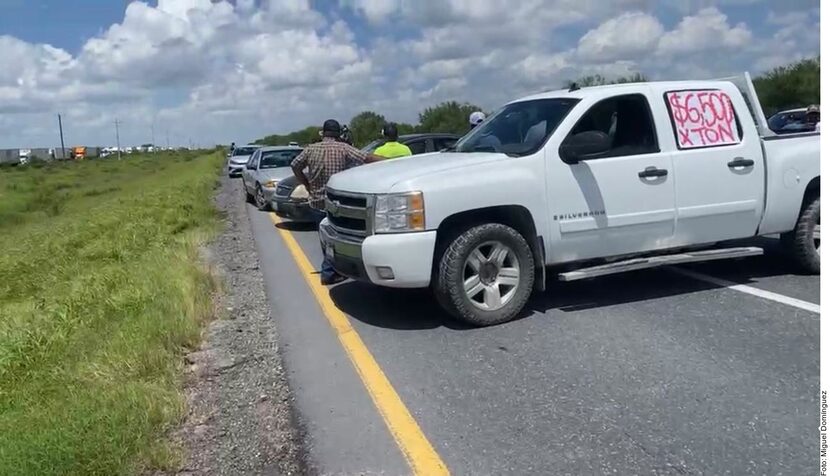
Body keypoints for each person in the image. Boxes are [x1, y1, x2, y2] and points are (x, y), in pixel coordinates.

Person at [291, 119, 383, 285]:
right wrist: (390, 161)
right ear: (338, 133)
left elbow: (295, 165)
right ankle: (330, 271)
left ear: (323, 133)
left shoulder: (311, 149)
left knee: (324, 238)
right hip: (337, 204)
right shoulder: (343, 148)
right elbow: (366, 158)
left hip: (317, 202)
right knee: (338, 238)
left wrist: (306, 183)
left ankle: (332, 269)